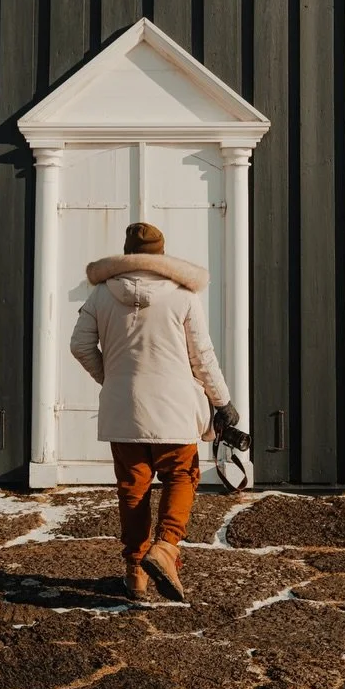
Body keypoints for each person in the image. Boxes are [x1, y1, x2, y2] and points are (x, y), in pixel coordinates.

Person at [69, 220, 239, 602]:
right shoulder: (182, 296)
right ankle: (165, 547)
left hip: (123, 408)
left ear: (127, 255)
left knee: (133, 488)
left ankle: (134, 573)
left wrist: (110, 379)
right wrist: (222, 401)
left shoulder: (100, 295)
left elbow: (79, 345)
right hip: (175, 409)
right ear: (160, 256)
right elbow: (202, 357)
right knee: (182, 475)